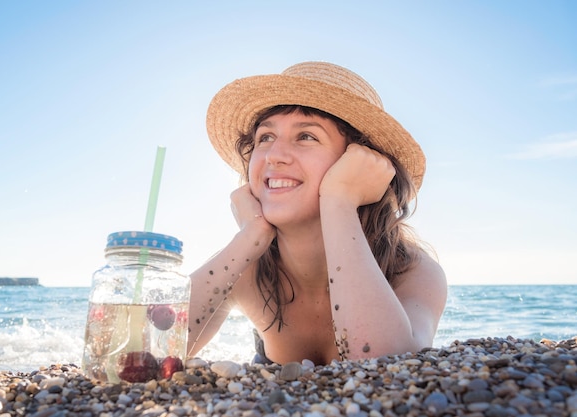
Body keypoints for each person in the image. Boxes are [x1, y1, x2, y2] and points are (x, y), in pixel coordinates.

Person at [187, 61, 447, 366]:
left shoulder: (413, 272)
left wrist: (340, 200)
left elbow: (385, 368)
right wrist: (250, 236)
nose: (274, 155)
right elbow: (140, 352)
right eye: (265, 138)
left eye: (306, 136)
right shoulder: (248, 267)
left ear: (358, 162)